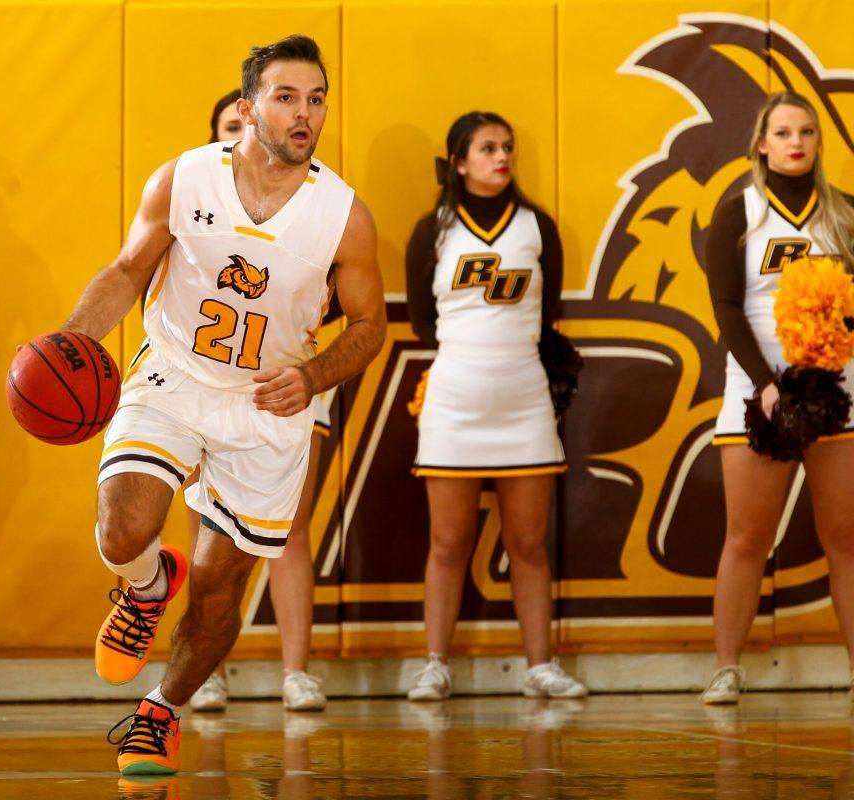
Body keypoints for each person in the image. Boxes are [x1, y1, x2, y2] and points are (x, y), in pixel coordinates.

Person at [64, 35, 385, 775]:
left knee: (218, 589)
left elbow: (372, 327)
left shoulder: (344, 216)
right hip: (174, 373)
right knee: (122, 528)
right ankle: (146, 585)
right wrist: (73, 339)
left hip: (268, 408)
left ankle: (160, 712)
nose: (305, 114)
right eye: (286, 97)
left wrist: (314, 376)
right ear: (246, 110)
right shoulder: (183, 178)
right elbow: (125, 271)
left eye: (316, 99)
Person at [404, 112, 587, 702]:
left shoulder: (537, 227)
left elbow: (549, 311)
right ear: (458, 162)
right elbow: (422, 322)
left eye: (507, 147)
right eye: (487, 148)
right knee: (448, 542)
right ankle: (435, 664)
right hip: (454, 400)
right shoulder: (431, 230)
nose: (501, 156)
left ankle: (541, 667)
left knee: (528, 543)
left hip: (524, 400)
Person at [702, 91, 854, 704]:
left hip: (838, 389)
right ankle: (726, 668)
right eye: (783, 132)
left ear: (818, 143)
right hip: (755, 388)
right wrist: (766, 383)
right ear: (761, 144)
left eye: (807, 132)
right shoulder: (738, 210)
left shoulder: (843, 213)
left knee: (844, 537)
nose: (796, 142)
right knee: (746, 537)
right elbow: (726, 306)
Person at [188, 88, 329, 713]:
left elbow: (345, 307)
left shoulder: (318, 210)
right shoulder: (189, 203)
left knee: (289, 532)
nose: (233, 138)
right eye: (224, 129)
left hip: (283, 387)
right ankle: (205, 670)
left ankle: (297, 672)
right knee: (205, 529)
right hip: (205, 386)